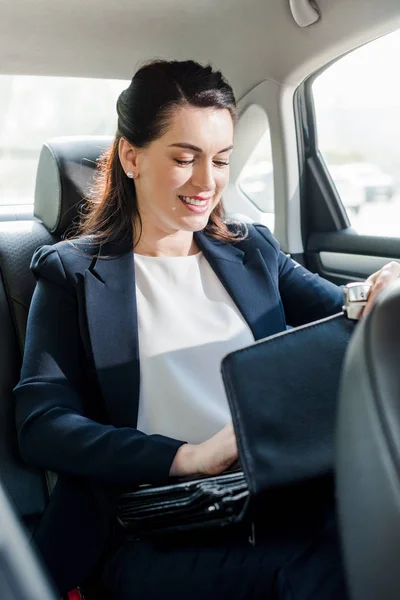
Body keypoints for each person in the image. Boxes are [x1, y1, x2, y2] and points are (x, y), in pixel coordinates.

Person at [14, 59, 400, 600]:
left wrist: (385, 287)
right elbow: (42, 422)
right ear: (131, 156)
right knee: (325, 572)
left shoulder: (253, 250)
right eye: (184, 158)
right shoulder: (72, 273)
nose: (207, 182)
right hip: (153, 526)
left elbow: (349, 320)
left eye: (220, 160)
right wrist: (186, 457)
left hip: (272, 497)